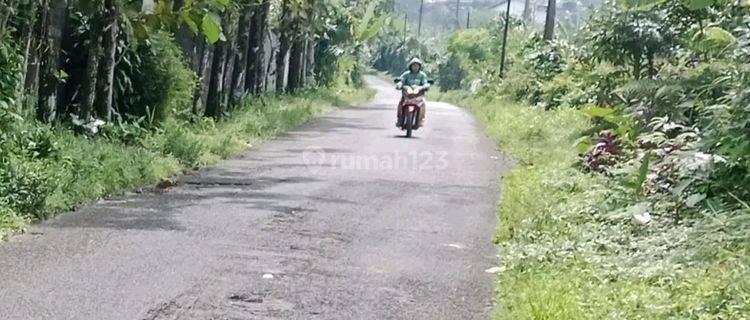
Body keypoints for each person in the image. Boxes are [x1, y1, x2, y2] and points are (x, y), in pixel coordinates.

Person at [396, 58, 430, 128]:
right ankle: (399, 120)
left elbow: (426, 83)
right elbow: (401, 80)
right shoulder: (406, 74)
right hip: (407, 95)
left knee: (423, 104)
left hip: (418, 96)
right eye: (414, 65)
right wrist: (399, 85)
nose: (415, 67)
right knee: (400, 104)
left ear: (419, 67)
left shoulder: (422, 75)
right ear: (410, 66)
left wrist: (423, 87)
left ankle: (420, 121)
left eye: (417, 66)